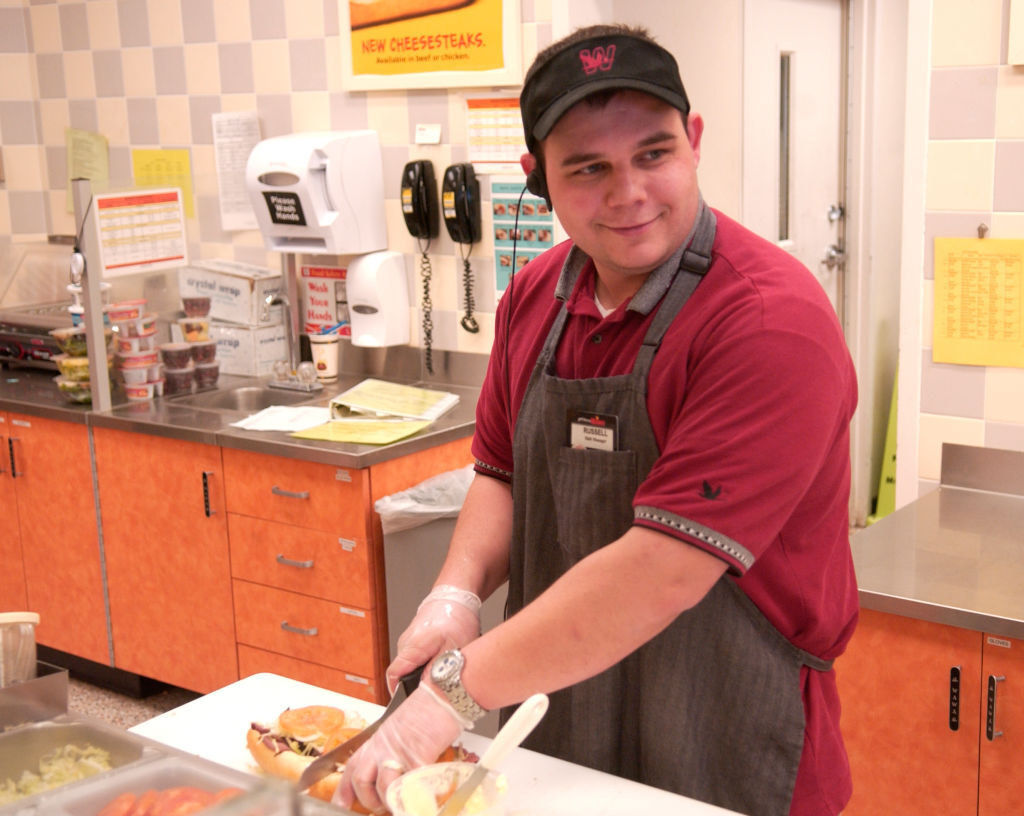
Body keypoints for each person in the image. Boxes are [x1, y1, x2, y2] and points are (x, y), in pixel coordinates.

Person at [336, 23, 858, 816]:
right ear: (536, 178)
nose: (630, 193)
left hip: (724, 730)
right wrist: (454, 594)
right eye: (588, 168)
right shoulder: (533, 297)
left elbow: (664, 571)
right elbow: (502, 474)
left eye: (654, 153)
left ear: (695, 142)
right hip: (557, 713)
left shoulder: (766, 322)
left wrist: (449, 696)